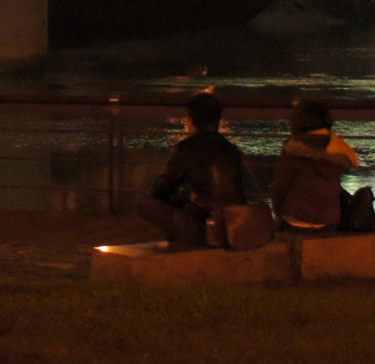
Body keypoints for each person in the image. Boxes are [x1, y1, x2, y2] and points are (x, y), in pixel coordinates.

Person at [137, 89, 250, 247]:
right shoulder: (231, 149)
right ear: (217, 120)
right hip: (232, 223)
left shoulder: (187, 148)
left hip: (201, 226)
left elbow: (161, 188)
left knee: (143, 202)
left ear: (191, 120)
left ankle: (179, 240)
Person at [271, 99, 362, 230]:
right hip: (329, 219)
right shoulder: (338, 146)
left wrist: (278, 213)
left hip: (296, 218)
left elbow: (281, 185)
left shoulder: (294, 146)